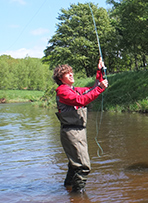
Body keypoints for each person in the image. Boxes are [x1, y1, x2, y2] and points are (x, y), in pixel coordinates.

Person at [53, 58, 108, 194]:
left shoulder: (74, 89)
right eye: (67, 73)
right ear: (60, 78)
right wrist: (101, 88)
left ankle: (68, 190)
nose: (71, 74)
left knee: (74, 165)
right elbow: (81, 100)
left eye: (71, 72)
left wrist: (99, 71)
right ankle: (78, 196)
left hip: (77, 131)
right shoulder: (62, 91)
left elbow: (93, 89)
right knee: (83, 166)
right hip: (71, 132)